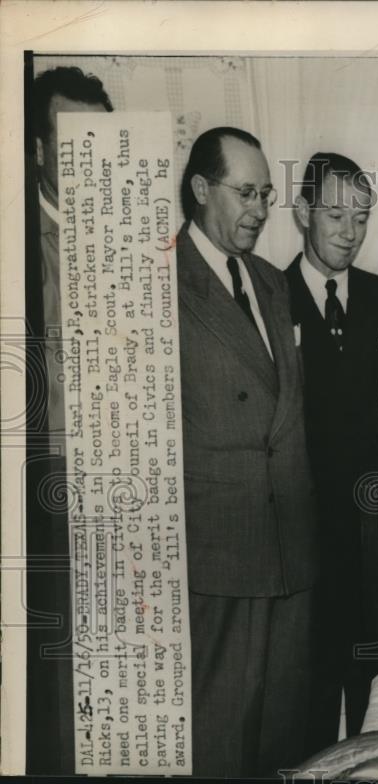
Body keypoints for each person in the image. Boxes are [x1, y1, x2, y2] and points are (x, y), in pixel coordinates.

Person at [177, 126, 319, 777]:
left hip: (289, 547)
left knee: (276, 738)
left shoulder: (269, 280)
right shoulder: (155, 281)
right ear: (202, 189)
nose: (259, 209)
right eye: (245, 192)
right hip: (217, 550)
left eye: (265, 193)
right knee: (217, 738)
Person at [286, 152, 378, 746]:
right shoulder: (270, 296)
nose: (349, 232)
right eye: (334, 215)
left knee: (374, 676)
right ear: (303, 213)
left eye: (361, 217)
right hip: (302, 525)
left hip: (375, 525)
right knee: (310, 684)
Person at [25, 65, 113, 774]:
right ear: (36, 151)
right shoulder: (18, 245)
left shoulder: (129, 236)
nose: (85, 155)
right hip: (43, 494)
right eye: (68, 138)